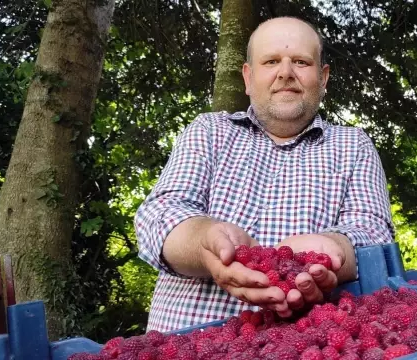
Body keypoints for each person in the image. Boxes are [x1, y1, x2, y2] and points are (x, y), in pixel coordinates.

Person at [134, 16, 395, 332]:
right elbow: (158, 216)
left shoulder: (354, 145)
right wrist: (205, 241)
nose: (285, 72)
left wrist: (332, 248)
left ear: (323, 78)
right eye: (271, 61)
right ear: (248, 77)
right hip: (187, 342)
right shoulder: (208, 131)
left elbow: (376, 236)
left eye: (301, 61)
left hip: (301, 343)